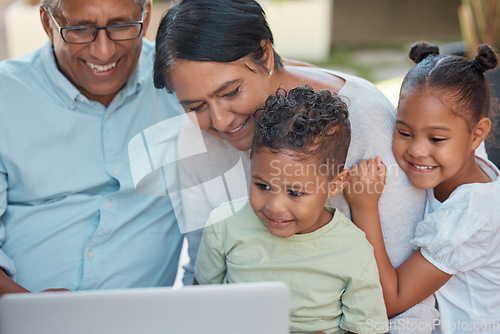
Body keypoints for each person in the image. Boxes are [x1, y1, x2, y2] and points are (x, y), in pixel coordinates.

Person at [153, 0, 438, 332]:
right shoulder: (194, 141)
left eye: (230, 92)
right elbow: (202, 279)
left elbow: (407, 303)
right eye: (196, 105)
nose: (220, 120)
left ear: (266, 54)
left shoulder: (362, 119)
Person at [0, 0, 184, 296]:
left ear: (146, 16)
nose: (104, 51)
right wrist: (29, 310)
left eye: (120, 25)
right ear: (48, 24)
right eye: (81, 29)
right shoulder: (5, 95)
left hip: (144, 320)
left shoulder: (181, 84)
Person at [194, 86, 388, 334]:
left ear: (336, 184)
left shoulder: (353, 250)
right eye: (262, 185)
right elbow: (200, 304)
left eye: (295, 193)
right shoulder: (224, 224)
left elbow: (367, 329)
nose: (274, 206)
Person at [345, 43, 500, 332]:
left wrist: (364, 207)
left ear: (477, 134)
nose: (417, 150)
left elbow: (392, 300)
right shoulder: (467, 157)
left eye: (436, 139)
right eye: (404, 132)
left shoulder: (469, 216)